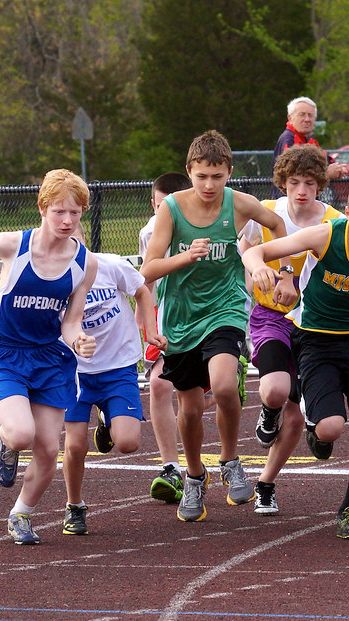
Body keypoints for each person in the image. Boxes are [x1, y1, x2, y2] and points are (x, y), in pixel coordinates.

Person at [241, 177, 349, 540]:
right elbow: (257, 251)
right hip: (317, 340)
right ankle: (316, 425)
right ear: (347, 213)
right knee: (331, 428)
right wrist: (259, 267)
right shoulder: (326, 235)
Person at [141, 130, 290, 523]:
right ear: (189, 171)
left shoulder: (240, 204)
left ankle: (229, 460)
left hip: (224, 309)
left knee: (224, 385)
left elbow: (277, 225)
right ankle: (193, 475)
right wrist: (185, 257)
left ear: (229, 173)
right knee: (189, 408)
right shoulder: (170, 209)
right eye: (202, 176)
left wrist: (285, 273)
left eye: (217, 176)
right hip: (180, 317)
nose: (209, 185)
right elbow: (148, 268)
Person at [0, 169, 98, 545]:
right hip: (7, 354)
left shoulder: (85, 262)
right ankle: (4, 439)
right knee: (21, 434)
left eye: (76, 213)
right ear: (42, 209)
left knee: (50, 448)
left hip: (51, 360)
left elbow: (71, 322)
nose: (67, 221)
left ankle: (21, 513)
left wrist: (79, 339)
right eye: (59, 212)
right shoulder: (14, 245)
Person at [241, 145, 345, 516]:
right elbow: (245, 248)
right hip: (272, 314)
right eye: (294, 182)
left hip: (315, 323)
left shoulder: (333, 221)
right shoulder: (267, 213)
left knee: (299, 416)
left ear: (320, 185)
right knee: (275, 389)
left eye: (310, 183)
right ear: (283, 183)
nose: (302, 190)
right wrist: (260, 270)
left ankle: (266, 483)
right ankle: (269, 413)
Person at [60, 240, 166, 535]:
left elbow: (142, 291)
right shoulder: (52, 278)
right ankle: (75, 505)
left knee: (128, 443)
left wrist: (151, 331)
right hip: (75, 372)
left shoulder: (110, 265)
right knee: (75, 445)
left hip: (118, 366)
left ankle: (107, 421)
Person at [138, 172, 194, 506]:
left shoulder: (215, 218)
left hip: (209, 313)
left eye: (168, 207)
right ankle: (170, 467)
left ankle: (219, 460)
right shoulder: (149, 231)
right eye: (158, 207)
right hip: (167, 313)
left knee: (205, 391)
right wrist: (140, 327)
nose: (163, 214)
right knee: (159, 385)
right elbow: (143, 280)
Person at [273, 96, 349, 180]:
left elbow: (325, 160)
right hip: (289, 193)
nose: (307, 119)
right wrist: (326, 173)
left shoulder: (310, 141)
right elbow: (294, 174)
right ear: (290, 118)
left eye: (310, 115)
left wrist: (338, 168)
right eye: (302, 115)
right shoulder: (289, 139)